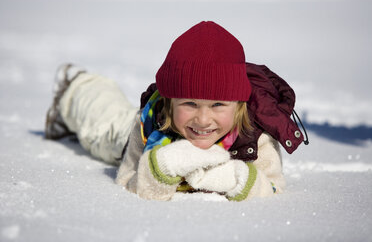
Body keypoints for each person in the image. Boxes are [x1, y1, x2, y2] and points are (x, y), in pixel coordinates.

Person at [45, 21, 306, 201]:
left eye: (218, 105)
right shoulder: (154, 120)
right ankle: (78, 86)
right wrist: (160, 168)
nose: (203, 120)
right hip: (143, 134)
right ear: (170, 103)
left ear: (238, 105)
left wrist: (236, 178)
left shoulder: (254, 135)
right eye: (190, 104)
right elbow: (127, 180)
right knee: (104, 130)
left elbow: (274, 188)